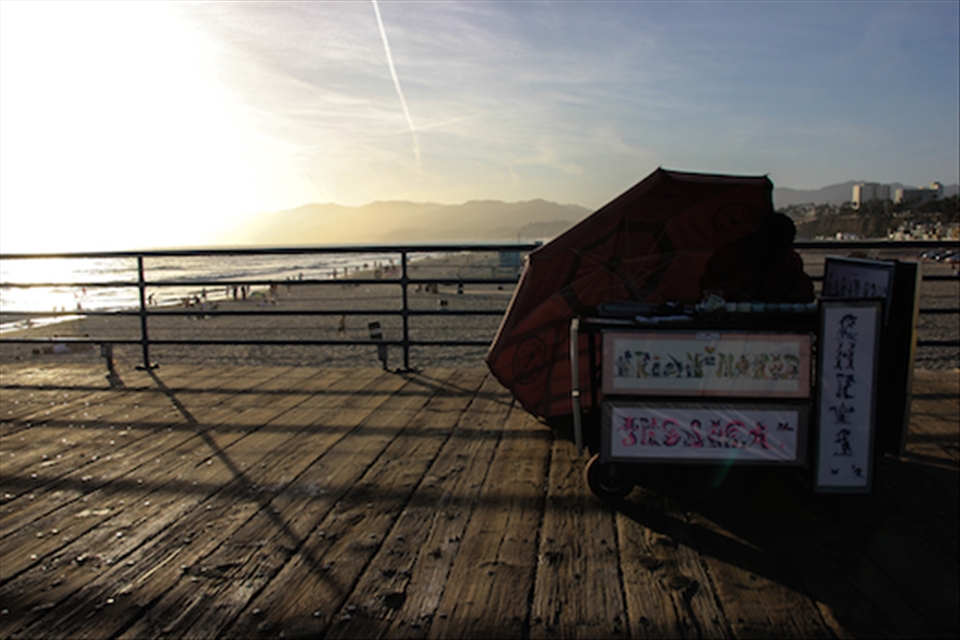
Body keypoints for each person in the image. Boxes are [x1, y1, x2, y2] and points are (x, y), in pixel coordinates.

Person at [700, 213, 814, 303]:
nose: (778, 250)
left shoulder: (790, 260)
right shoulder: (727, 255)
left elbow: (805, 289)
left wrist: (791, 297)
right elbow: (707, 288)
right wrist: (735, 293)